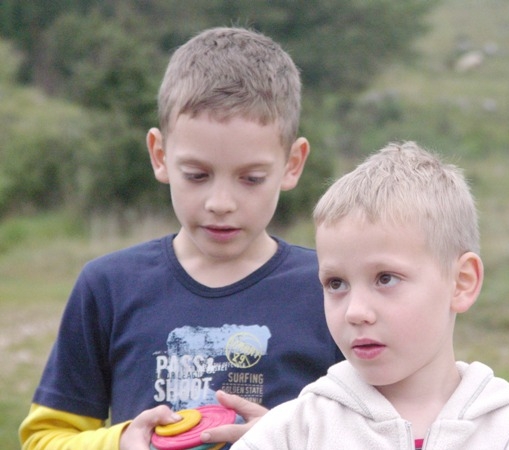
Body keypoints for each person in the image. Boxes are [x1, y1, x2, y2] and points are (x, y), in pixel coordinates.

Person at [19, 26, 343, 450]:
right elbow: (44, 438)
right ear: (160, 156)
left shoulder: (330, 289)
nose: (221, 203)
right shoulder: (107, 286)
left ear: (292, 164)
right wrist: (121, 442)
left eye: (251, 178)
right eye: (197, 175)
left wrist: (286, 439)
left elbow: (387, 429)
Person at [232, 141, 509, 450]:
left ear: (461, 282)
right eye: (336, 284)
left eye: (385, 279)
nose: (355, 312)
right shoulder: (294, 433)